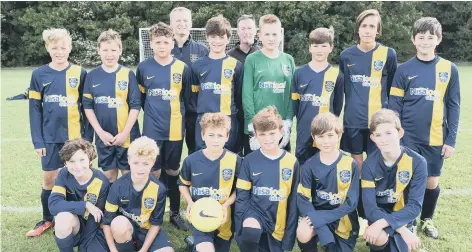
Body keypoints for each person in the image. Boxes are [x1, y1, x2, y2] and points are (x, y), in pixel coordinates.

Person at [388, 17, 460, 239]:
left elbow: (453, 105)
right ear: (413, 39)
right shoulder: (403, 70)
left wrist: (451, 140)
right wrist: (396, 137)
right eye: (421, 37)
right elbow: (394, 106)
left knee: (431, 182)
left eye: (431, 37)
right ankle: (408, 220)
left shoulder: (450, 69)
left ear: (438, 40)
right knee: (407, 180)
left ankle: (427, 219)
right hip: (408, 137)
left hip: (436, 137)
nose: (426, 41)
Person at [27, 28, 90, 237]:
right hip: (50, 138)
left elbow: (87, 108)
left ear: (70, 48)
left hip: (75, 139)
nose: (59, 51)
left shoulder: (80, 73)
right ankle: (47, 219)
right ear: (47, 48)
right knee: (49, 180)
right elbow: (35, 109)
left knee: (79, 177)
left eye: (63, 47)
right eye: (55, 48)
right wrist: (38, 141)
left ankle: (79, 216)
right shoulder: (38, 74)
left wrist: (87, 141)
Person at [136, 22, 193, 231]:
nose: (162, 46)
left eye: (166, 42)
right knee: (154, 172)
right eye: (158, 42)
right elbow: (141, 98)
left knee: (173, 170)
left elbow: (186, 98)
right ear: (151, 44)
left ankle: (175, 213)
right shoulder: (143, 68)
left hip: (175, 130)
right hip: (152, 131)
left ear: (172, 43)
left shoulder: (182, 68)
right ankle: (151, 213)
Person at [339, 9, 398, 169]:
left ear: (378, 30)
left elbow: (392, 89)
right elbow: (343, 88)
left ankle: (376, 193)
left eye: (372, 26)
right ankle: (360, 194)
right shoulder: (346, 55)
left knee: (377, 162)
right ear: (358, 28)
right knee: (357, 163)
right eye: (364, 26)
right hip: (353, 120)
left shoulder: (389, 54)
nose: (367, 30)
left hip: (379, 121)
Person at [235, 106, 299, 252]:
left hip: (278, 223)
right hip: (255, 215)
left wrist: (288, 240)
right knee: (250, 232)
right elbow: (242, 198)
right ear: (255, 135)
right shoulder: (249, 160)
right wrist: (240, 231)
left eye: (272, 133)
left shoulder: (292, 162)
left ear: (281, 132)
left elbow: (293, 204)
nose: (268, 139)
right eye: (262, 134)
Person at [362, 109, 427, 252]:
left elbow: (415, 206)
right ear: (373, 138)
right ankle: (396, 235)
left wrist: (389, 224)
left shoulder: (418, 162)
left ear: (400, 133)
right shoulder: (368, 165)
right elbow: (370, 209)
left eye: (388, 133)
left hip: (403, 217)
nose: (383, 139)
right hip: (378, 217)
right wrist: (401, 230)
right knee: (378, 238)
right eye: (378, 135)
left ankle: (402, 234)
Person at [83, 29, 141, 183]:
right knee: (109, 175)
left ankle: (128, 207)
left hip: (127, 135)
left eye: (114, 50)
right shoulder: (91, 76)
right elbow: (87, 107)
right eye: (105, 50)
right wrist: (100, 133)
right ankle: (111, 207)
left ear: (120, 51)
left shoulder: (128, 74)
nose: (110, 54)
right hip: (104, 136)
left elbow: (135, 106)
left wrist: (124, 133)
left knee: (129, 175)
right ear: (99, 51)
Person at [179, 112, 242, 252]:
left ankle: (193, 245)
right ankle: (199, 243)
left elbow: (241, 189)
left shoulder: (235, 161)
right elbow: (182, 184)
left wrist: (226, 204)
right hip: (200, 216)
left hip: (224, 219)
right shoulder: (191, 161)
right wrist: (190, 202)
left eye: (220, 136)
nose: (215, 140)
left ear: (227, 137)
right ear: (202, 135)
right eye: (211, 135)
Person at [296, 113, 359, 252]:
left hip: (343, 217)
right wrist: (321, 227)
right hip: (317, 215)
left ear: (339, 134)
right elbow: (302, 199)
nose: (326, 141)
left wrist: (323, 218)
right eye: (320, 136)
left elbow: (352, 202)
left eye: (330, 135)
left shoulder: (350, 164)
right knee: (302, 231)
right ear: (313, 138)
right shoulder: (309, 165)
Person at [102, 136, 174, 252]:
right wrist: (112, 250)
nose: (140, 168)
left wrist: (144, 250)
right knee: (118, 223)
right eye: (136, 163)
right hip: (126, 231)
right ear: (129, 160)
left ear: (153, 162)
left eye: (145, 164)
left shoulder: (159, 189)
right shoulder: (117, 186)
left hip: (147, 231)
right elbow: (106, 223)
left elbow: (155, 225)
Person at [242, 14, 295, 156]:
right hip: (258, 128)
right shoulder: (252, 59)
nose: (271, 38)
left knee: (281, 172)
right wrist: (252, 124)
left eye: (275, 34)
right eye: (267, 34)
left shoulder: (288, 60)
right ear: (259, 36)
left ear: (281, 35)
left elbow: (293, 94)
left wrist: (288, 120)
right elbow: (247, 94)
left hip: (280, 126)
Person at [292, 26, 344, 165]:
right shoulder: (299, 73)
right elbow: (295, 105)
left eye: (323, 46)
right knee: (303, 166)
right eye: (315, 46)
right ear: (309, 48)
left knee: (326, 164)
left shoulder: (336, 75)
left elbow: (337, 106)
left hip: (326, 131)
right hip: (304, 130)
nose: (319, 50)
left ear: (331, 47)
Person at [191, 15, 243, 153]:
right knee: (203, 157)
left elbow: (238, 96)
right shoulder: (197, 66)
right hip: (204, 120)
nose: (217, 41)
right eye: (213, 36)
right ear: (207, 37)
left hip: (228, 119)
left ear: (228, 39)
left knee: (228, 158)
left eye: (221, 37)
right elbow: (192, 95)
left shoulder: (236, 66)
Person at [49, 139, 109, 252]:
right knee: (62, 218)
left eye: (82, 160)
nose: (78, 166)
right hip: (74, 225)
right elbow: (54, 204)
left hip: (94, 228)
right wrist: (85, 205)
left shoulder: (101, 181)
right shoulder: (63, 174)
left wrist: (83, 247)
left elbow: (96, 218)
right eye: (72, 161)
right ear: (65, 163)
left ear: (89, 160)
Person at [170, 6, 209, 156]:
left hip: (196, 111)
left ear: (191, 23)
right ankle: (168, 180)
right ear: (171, 24)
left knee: (196, 150)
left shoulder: (202, 50)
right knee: (170, 155)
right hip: (171, 111)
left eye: (185, 20)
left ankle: (195, 179)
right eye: (178, 20)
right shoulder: (164, 47)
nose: (182, 23)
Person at [227, 14, 259, 156]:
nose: (246, 31)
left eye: (249, 28)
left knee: (254, 153)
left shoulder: (262, 55)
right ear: (237, 31)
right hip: (235, 113)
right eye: (243, 28)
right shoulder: (228, 56)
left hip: (256, 113)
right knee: (234, 153)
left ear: (256, 30)